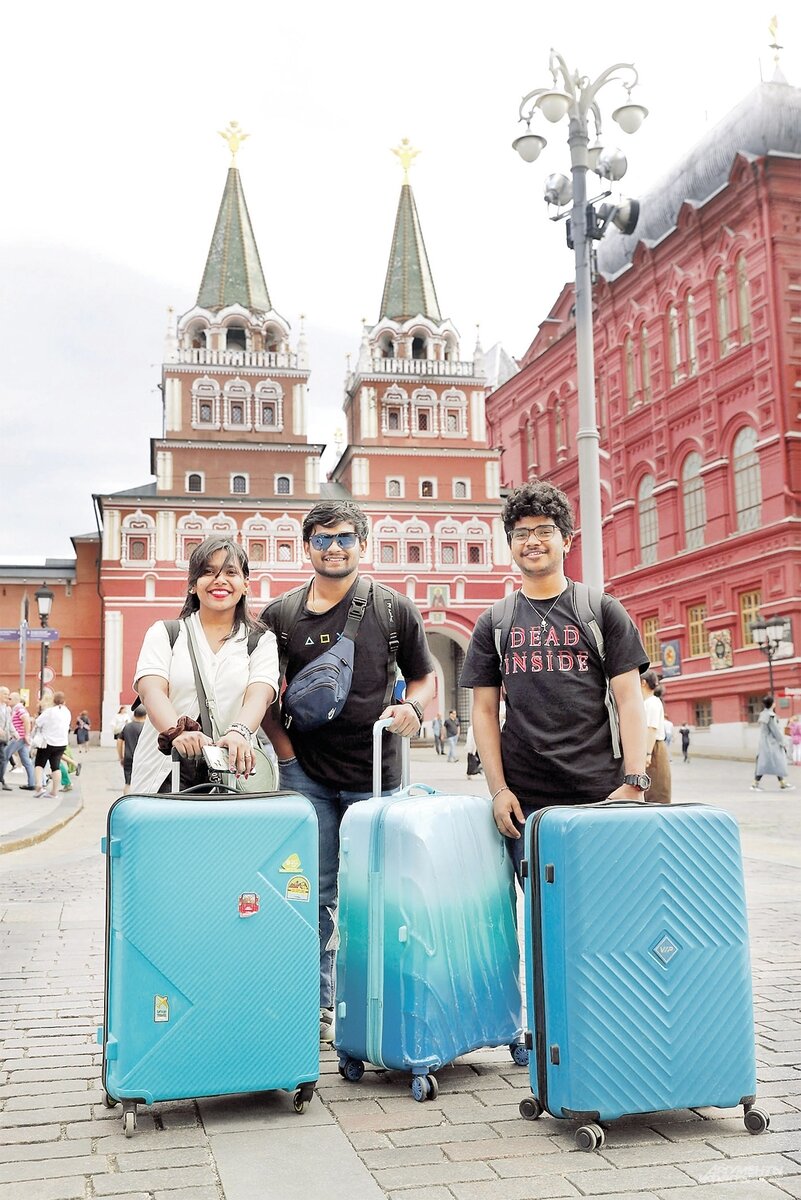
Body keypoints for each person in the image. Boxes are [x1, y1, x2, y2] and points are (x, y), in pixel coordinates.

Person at [259, 500, 436, 1043]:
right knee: (308, 891)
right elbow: (262, 692)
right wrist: (287, 758)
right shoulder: (282, 615)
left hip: (376, 776)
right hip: (305, 776)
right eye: (322, 539)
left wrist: (413, 708)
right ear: (305, 546)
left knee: (375, 891)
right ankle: (311, 1002)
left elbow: (425, 677)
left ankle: (367, 1001)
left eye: (344, 538)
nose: (334, 547)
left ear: (363, 544)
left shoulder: (392, 608)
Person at [460, 480, 649, 878]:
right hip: (526, 798)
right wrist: (498, 790)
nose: (533, 541)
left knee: (606, 906)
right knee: (542, 911)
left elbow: (631, 700)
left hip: (602, 791)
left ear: (566, 541)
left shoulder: (602, 611)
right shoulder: (494, 622)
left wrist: (634, 781)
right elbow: (484, 711)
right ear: (510, 544)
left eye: (545, 531)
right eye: (521, 533)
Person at [131, 537, 279, 795]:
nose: (219, 580)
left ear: (245, 585)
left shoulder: (260, 641)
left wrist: (239, 732)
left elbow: (260, 694)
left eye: (230, 572)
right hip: (167, 770)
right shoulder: (167, 633)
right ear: (192, 585)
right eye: (208, 572)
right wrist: (176, 732)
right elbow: (151, 690)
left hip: (232, 768)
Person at [32, 691, 72, 800]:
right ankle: (54, 792)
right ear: (64, 701)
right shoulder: (67, 712)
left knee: (39, 764)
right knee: (56, 766)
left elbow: (38, 722)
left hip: (47, 742)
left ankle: (39, 786)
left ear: (53, 701)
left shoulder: (49, 711)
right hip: (61, 743)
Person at [751, 696, 794, 791]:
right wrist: (782, 742)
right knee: (772, 761)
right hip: (771, 743)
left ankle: (782, 782)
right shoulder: (771, 716)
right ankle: (755, 783)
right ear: (772, 704)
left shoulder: (763, 714)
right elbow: (775, 731)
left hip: (764, 741)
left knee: (773, 762)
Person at [641, 671, 671, 804]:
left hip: (654, 748)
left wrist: (647, 754)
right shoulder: (647, 702)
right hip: (650, 746)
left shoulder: (652, 702)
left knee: (656, 789)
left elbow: (651, 729)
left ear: (643, 683)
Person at [5, 693, 36, 791]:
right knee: (26, 761)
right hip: (21, 737)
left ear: (15, 700)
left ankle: (2, 780)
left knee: (4, 756)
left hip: (19, 737)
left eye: (9, 698)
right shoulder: (15, 709)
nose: (8, 700)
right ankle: (32, 783)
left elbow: (26, 721)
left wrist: (27, 735)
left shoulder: (19, 709)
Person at [120, 704, 147, 794]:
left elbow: (119, 742)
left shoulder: (127, 727)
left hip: (128, 757)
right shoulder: (146, 728)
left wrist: (121, 757)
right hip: (143, 758)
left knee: (128, 783)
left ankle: (126, 803)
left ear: (134, 714)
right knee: (142, 783)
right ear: (145, 715)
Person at [0, 686, 13, 791]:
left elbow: (9, 723)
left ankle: (2, 780)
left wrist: (15, 733)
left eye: (8, 694)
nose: (7, 696)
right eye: (5, 694)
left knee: (3, 759)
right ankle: (2, 781)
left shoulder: (7, 708)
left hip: (3, 738)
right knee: (3, 758)